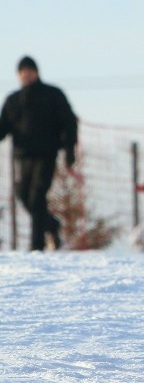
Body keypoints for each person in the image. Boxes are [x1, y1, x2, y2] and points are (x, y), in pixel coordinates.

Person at [0, 56, 78, 251]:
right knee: (24, 195)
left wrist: (69, 150)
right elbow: (3, 128)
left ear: (36, 72)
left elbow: (69, 122)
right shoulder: (13, 100)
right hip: (22, 156)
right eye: (22, 72)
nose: (26, 75)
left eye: (29, 71)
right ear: (18, 75)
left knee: (37, 196)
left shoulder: (53, 95)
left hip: (46, 154)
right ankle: (51, 225)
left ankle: (37, 246)